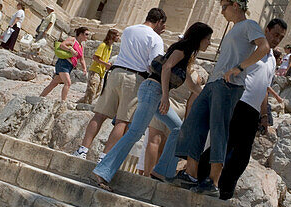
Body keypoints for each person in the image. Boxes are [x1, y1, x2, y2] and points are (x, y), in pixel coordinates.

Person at [171, 0, 271, 196]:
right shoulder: (234, 30)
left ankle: (213, 181)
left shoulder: (249, 25)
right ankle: (191, 173)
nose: (222, 11)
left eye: (224, 6)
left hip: (229, 85)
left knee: (219, 129)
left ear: (236, 6)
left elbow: (264, 47)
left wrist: (240, 68)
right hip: (214, 83)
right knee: (193, 122)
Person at [92, 23, 214, 190]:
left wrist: (210, 98)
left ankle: (161, 171)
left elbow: (192, 85)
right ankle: (103, 171)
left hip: (154, 93)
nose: (209, 43)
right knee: (134, 132)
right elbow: (166, 67)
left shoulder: (186, 55)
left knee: (178, 129)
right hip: (153, 91)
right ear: (200, 38)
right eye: (207, 39)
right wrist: (165, 95)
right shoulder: (183, 48)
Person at [193, 19, 289, 199]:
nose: (277, 39)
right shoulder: (252, 49)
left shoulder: (272, 60)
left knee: (242, 155)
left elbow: (264, 88)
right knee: (224, 145)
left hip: (252, 110)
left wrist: (264, 114)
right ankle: (200, 177)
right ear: (266, 30)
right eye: (275, 34)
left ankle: (225, 190)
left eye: (281, 37)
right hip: (238, 101)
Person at [71, 9, 166, 159]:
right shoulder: (156, 39)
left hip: (116, 73)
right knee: (122, 121)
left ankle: (82, 149)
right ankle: (104, 156)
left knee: (99, 114)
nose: (163, 28)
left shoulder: (128, 30)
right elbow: (153, 64)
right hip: (135, 78)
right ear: (159, 21)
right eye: (163, 25)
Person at [40, 27, 89, 101]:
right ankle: (63, 102)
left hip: (69, 66)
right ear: (81, 34)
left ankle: (40, 97)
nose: (87, 36)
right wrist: (71, 50)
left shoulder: (81, 46)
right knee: (68, 83)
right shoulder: (72, 40)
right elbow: (62, 45)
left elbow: (82, 59)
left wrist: (84, 69)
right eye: (86, 34)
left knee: (54, 83)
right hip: (63, 63)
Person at [84, 29, 118, 104]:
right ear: (112, 36)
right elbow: (95, 58)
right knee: (92, 89)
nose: (118, 37)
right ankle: (85, 104)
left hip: (102, 72)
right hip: (95, 70)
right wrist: (106, 64)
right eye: (117, 35)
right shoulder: (103, 45)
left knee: (99, 90)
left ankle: (84, 102)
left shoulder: (110, 47)